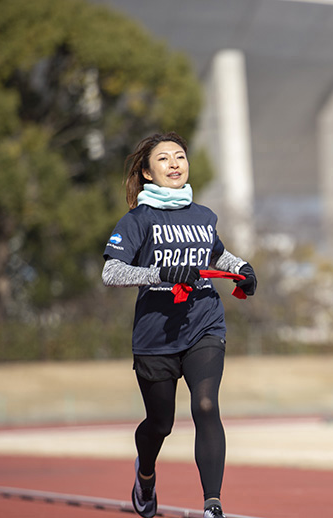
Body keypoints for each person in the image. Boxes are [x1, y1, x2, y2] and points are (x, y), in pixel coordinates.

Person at [102, 132, 257, 518]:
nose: (174, 164)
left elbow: (216, 254)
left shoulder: (203, 216)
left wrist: (241, 268)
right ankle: (146, 475)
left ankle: (212, 505)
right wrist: (161, 273)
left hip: (204, 323)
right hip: (156, 336)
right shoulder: (138, 219)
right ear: (148, 173)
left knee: (206, 405)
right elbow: (111, 271)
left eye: (180, 157)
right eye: (164, 159)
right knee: (161, 423)